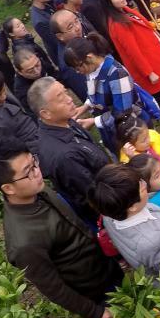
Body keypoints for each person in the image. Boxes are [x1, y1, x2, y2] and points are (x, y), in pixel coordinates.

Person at [0, 137, 122, 318]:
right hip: (97, 290)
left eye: (34, 162)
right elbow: (53, 288)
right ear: (8, 188)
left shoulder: (36, 190)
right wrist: (94, 313)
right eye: (28, 171)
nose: (37, 172)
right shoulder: (24, 243)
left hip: (105, 266)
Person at [97, 0, 160, 135]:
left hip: (151, 57)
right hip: (145, 65)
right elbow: (133, 52)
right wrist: (149, 72)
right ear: (109, 3)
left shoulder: (124, 11)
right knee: (156, 96)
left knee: (159, 93)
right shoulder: (118, 24)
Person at [28, 76, 110, 222]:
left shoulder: (63, 121)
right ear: (45, 113)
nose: (70, 99)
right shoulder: (64, 156)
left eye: (65, 92)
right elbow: (95, 196)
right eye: (60, 98)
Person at [64, 33, 160, 149]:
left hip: (134, 129)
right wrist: (85, 107)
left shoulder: (116, 73)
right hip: (115, 127)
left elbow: (122, 112)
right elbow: (96, 92)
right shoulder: (92, 69)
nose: (78, 72)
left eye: (78, 67)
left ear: (89, 57)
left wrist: (94, 121)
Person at [50, 9, 89, 101]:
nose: (77, 27)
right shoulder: (69, 64)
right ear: (60, 36)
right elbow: (87, 94)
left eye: (76, 20)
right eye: (70, 27)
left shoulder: (79, 39)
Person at [12, 47, 57, 113]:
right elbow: (34, 112)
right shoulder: (22, 91)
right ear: (20, 72)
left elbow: (55, 74)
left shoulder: (40, 63)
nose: (37, 71)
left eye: (37, 65)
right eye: (30, 71)